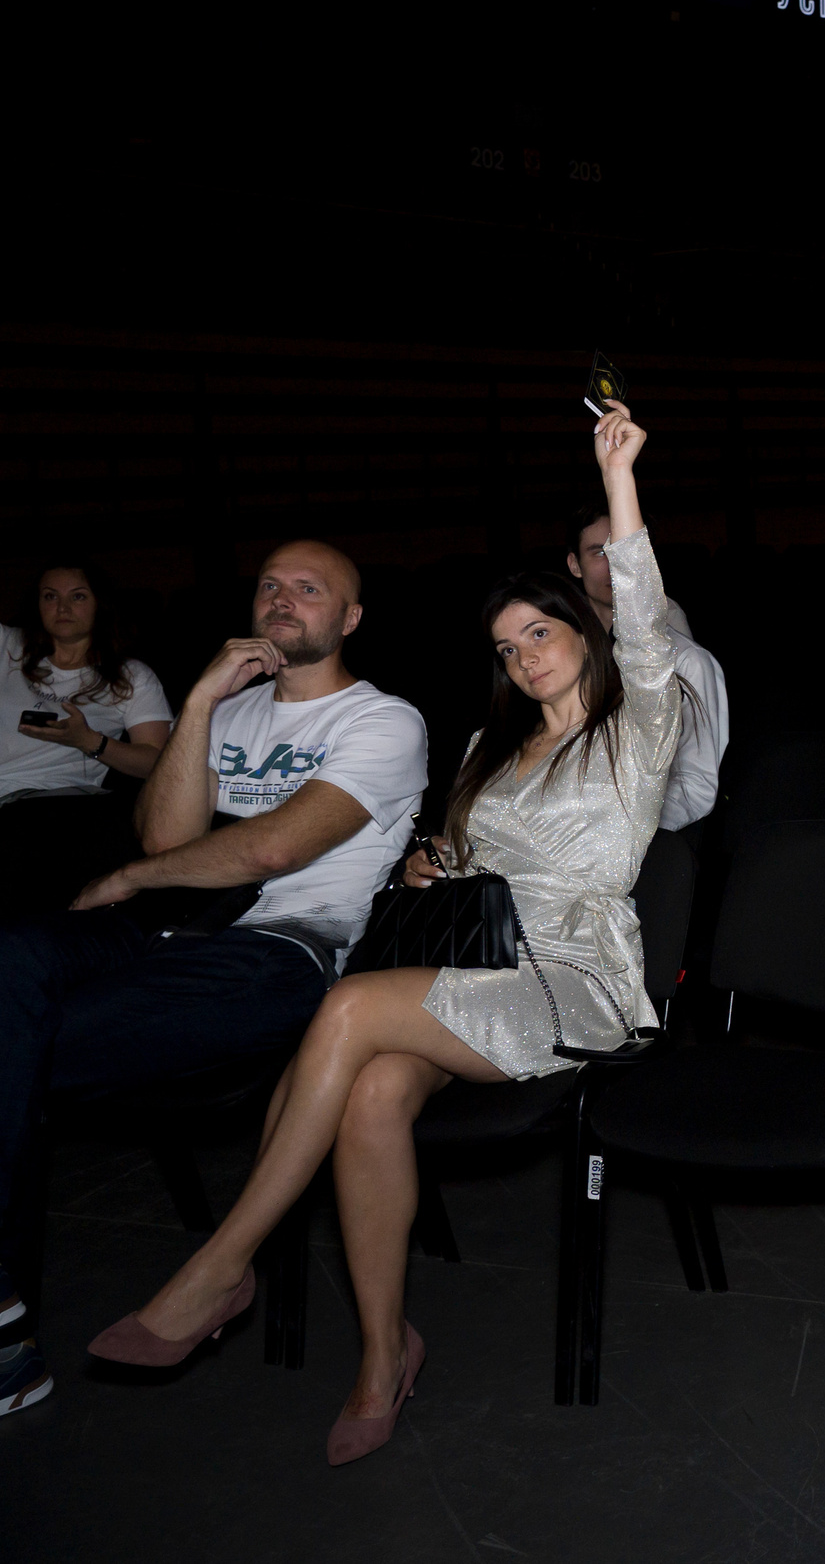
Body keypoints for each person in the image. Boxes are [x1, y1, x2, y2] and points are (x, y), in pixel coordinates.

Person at [85, 403, 678, 1466]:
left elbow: (642, 611)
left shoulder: (636, 726)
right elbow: (462, 860)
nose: (527, 654)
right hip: (478, 967)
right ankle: (379, 1354)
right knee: (368, 1092)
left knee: (351, 1002)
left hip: (576, 977)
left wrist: (620, 479)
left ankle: (224, 1261)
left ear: (582, 633)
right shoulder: (488, 751)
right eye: (507, 645)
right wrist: (434, 864)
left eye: (541, 630)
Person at [0, 540, 428, 1418]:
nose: (282, 599)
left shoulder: (383, 721)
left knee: (27, 1039)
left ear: (348, 619)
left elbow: (271, 847)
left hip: (279, 949)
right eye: (270, 584)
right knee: (9, 959)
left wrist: (130, 878)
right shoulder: (226, 714)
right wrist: (197, 700)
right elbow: (165, 836)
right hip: (160, 931)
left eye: (310, 590)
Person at [0, 564, 175, 919]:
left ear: (99, 605)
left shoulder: (131, 677)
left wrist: (90, 741)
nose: (62, 608)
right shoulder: (8, 646)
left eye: (77, 597)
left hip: (59, 805)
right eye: (50, 597)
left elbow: (158, 762)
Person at [566, 502, 729, 830]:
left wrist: (617, 830)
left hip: (650, 839)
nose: (615, 565)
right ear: (574, 564)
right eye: (599, 552)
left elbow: (695, 787)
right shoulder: (555, 658)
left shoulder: (688, 662)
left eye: (623, 550)